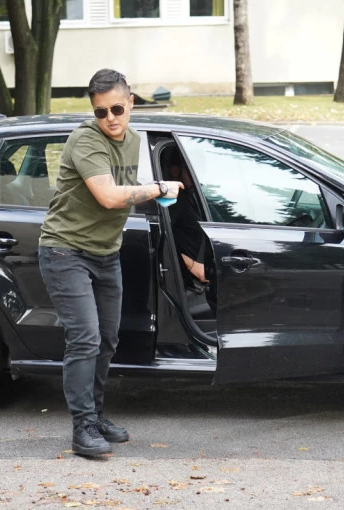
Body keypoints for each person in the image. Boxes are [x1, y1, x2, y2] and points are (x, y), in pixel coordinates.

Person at [38, 69, 184, 457]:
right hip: (65, 251)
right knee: (85, 338)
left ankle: (96, 414)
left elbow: (121, 193)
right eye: (101, 112)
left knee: (106, 339)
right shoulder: (86, 139)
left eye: (117, 109)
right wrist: (157, 188)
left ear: (131, 102)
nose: (110, 118)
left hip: (105, 253)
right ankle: (82, 427)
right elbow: (107, 196)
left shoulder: (133, 140)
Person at [166, 149, 209, 291]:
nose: (199, 174)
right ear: (175, 171)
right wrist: (191, 265)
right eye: (193, 168)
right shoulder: (174, 200)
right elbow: (162, 235)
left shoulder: (192, 196)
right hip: (186, 277)